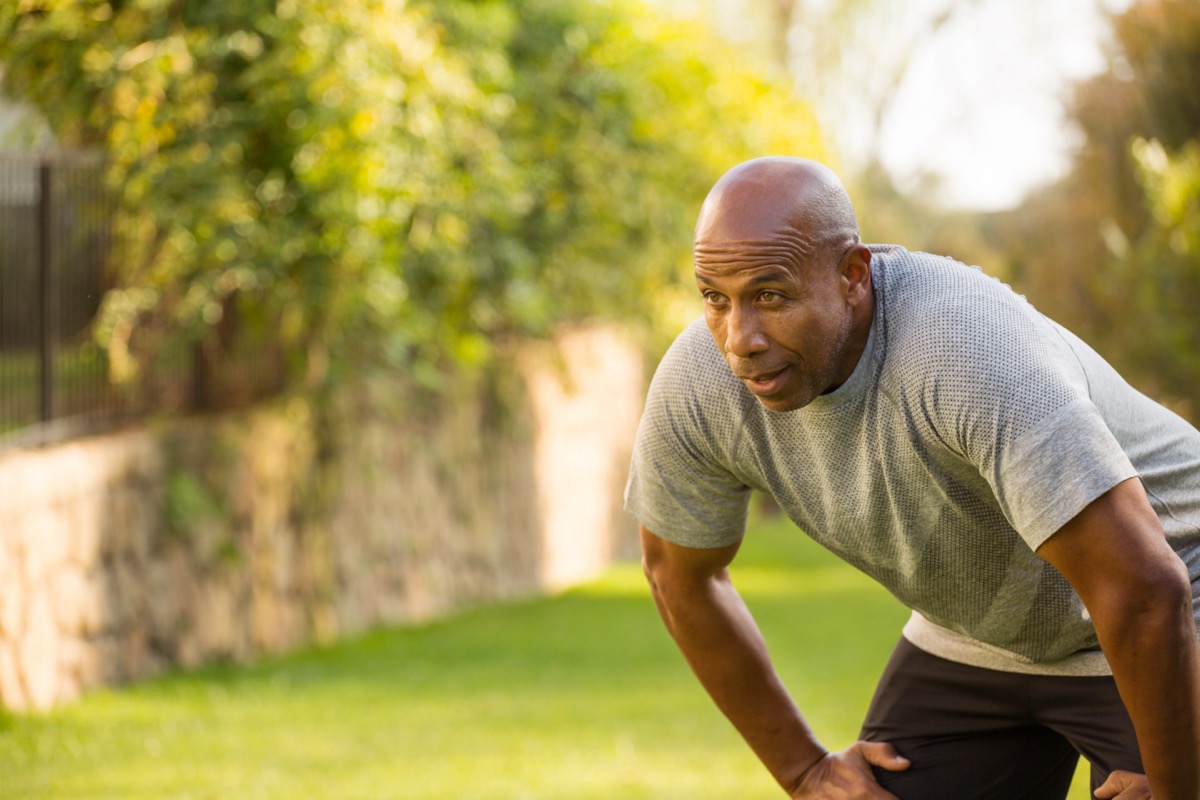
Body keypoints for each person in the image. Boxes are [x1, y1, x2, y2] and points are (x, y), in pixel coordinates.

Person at [624, 156, 1200, 799]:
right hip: (978, 637)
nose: (739, 339)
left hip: (1171, 607)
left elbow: (1146, 588)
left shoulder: (965, 350)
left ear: (852, 275)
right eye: (714, 297)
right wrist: (804, 769)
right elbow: (677, 573)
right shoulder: (701, 384)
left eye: (770, 295)